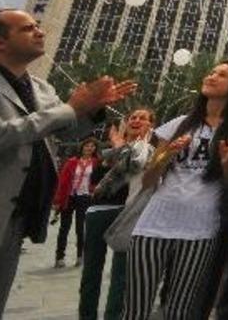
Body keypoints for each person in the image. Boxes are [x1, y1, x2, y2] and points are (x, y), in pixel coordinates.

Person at [0, 8, 135, 320]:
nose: (39, 32)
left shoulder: (39, 87)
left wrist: (89, 111)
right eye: (28, 28)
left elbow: (65, 131)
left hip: (14, 217)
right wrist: (71, 109)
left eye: (38, 25)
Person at [124, 60, 228, 320]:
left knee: (180, 310)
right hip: (153, 225)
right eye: (211, 71)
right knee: (135, 309)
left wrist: (227, 163)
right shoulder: (179, 124)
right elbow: (148, 180)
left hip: (200, 230)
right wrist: (167, 154)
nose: (211, 76)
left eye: (221, 75)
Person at [78, 108, 154, 320]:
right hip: (98, 212)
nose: (136, 120)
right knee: (90, 273)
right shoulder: (106, 150)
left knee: (121, 277)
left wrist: (122, 147)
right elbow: (99, 178)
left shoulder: (150, 150)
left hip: (128, 215)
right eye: (132, 117)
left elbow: (136, 165)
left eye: (143, 118)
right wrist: (118, 147)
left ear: (151, 126)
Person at [53, 136, 101, 268]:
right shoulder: (72, 162)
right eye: (87, 145)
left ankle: (80, 256)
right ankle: (59, 257)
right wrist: (57, 200)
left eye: (92, 146)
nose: (89, 148)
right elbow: (62, 182)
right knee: (64, 227)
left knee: (81, 228)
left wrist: (94, 190)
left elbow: (99, 180)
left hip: (85, 197)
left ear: (95, 149)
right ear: (82, 147)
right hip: (70, 196)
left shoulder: (97, 162)